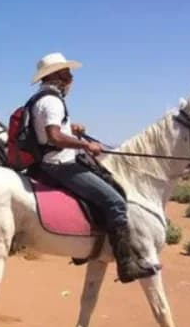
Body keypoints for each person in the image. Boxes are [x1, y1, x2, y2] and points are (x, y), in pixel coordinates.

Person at [25, 52, 158, 283]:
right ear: (56, 75)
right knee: (115, 202)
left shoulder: (41, 99)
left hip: (50, 163)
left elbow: (51, 132)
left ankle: (83, 250)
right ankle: (126, 267)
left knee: (106, 186)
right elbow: (54, 136)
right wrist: (86, 144)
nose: (71, 77)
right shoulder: (53, 101)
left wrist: (72, 131)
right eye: (67, 72)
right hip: (60, 165)